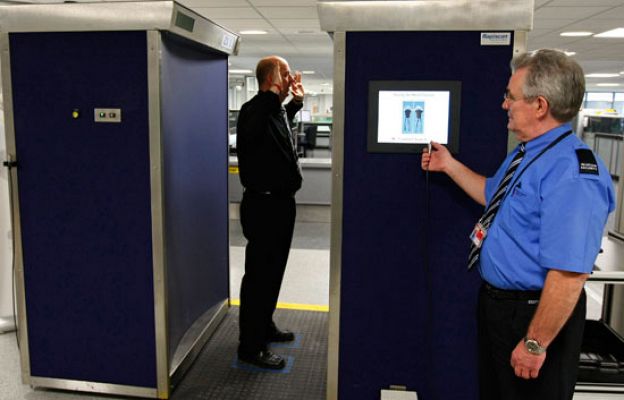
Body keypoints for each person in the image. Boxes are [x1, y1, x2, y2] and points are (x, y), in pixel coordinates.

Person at [421, 49, 615, 399]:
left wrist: (535, 343)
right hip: (501, 309)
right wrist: (449, 165)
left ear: (540, 105)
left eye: (510, 96)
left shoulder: (572, 172)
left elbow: (569, 274)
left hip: (534, 315)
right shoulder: (529, 153)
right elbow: (490, 194)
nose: (504, 104)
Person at [235, 55, 305, 369]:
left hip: (280, 205)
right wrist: (274, 93)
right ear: (271, 77)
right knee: (259, 278)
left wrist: (293, 104)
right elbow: (254, 130)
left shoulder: (273, 111)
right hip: (263, 206)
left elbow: (278, 129)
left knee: (273, 273)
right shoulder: (253, 110)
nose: (291, 80)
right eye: (286, 74)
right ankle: (250, 347)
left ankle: (265, 326)